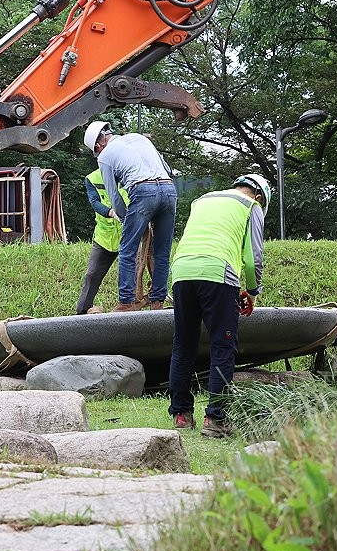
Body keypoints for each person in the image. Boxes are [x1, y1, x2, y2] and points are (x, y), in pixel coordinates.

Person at [167, 173, 269, 438]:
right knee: (222, 346)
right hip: (218, 273)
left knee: (183, 345)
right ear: (259, 196)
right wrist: (253, 291)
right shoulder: (251, 206)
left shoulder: (202, 200)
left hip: (181, 272)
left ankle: (180, 413)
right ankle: (215, 419)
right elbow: (253, 257)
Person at [88, 121, 178, 311]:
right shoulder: (139, 138)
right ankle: (157, 301)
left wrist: (125, 217)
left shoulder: (104, 157)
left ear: (98, 145)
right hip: (169, 189)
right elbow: (168, 170)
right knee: (162, 250)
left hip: (143, 190)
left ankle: (126, 302)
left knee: (127, 248)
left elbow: (114, 196)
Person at [75, 124, 130, 314]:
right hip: (104, 238)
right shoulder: (92, 178)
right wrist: (111, 212)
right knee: (91, 275)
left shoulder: (126, 171)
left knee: (134, 274)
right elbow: (94, 202)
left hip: (129, 234)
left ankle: (139, 309)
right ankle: (80, 314)